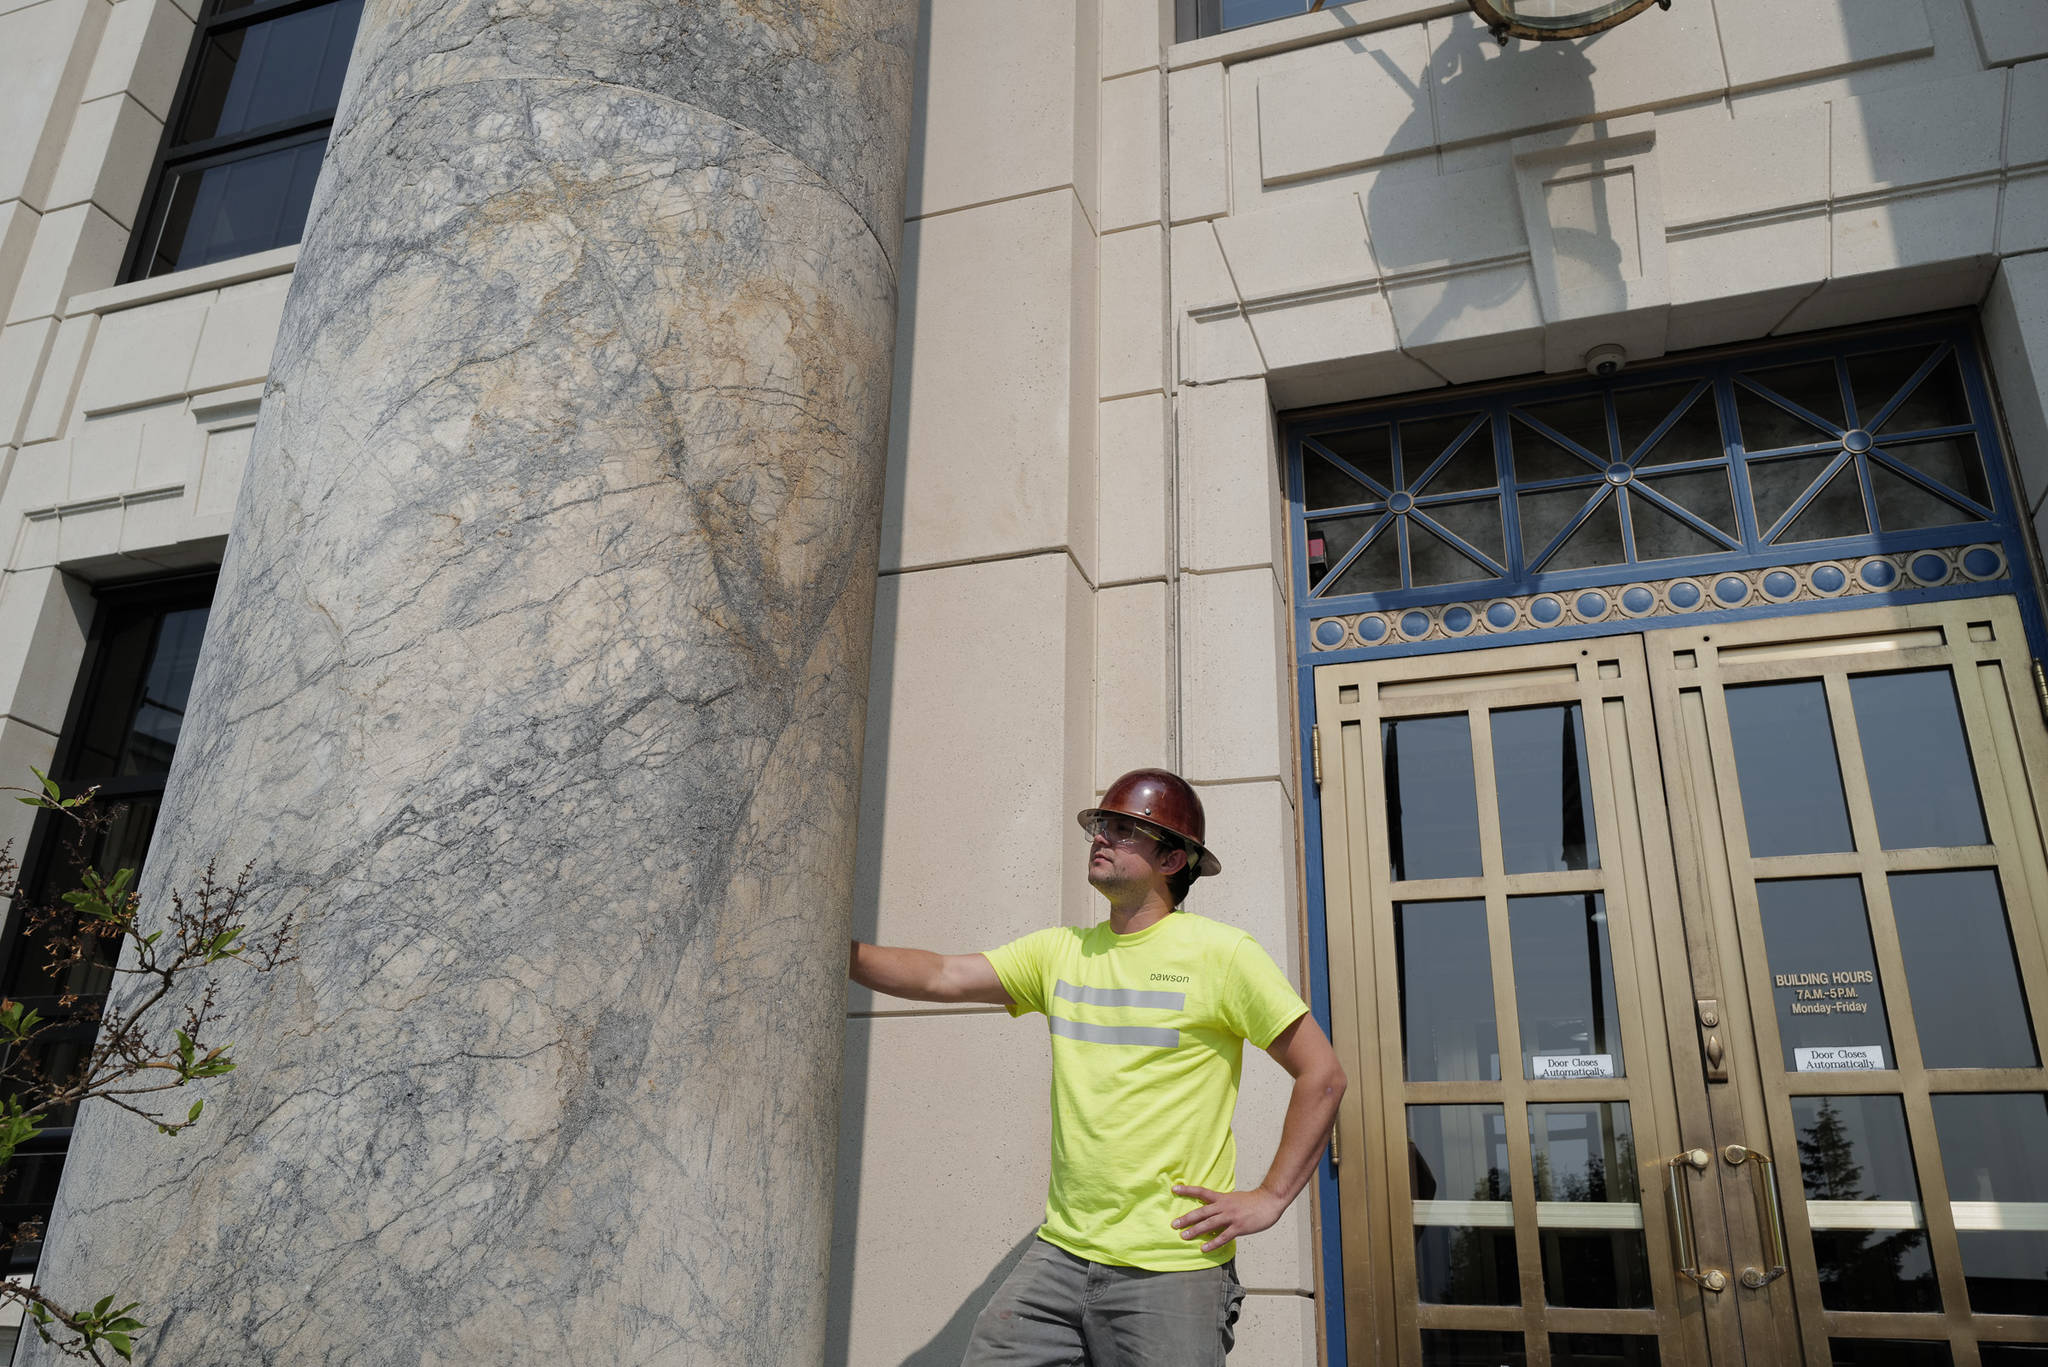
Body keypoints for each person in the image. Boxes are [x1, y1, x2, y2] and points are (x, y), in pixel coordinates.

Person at [848, 768, 1347, 1366]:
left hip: (1170, 1267)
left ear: (1171, 860)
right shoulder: (1059, 953)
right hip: (1062, 1254)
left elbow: (1323, 1075)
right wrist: (825, 941)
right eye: (1100, 825)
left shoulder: (1223, 955)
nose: (1101, 837)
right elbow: (938, 974)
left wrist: (1270, 1197)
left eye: (1122, 829)